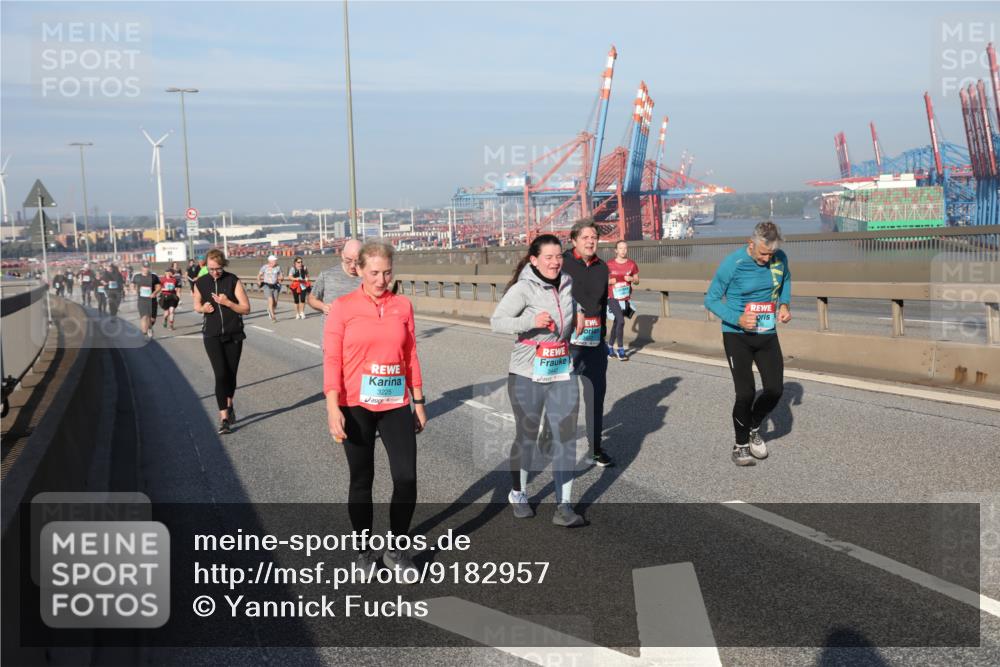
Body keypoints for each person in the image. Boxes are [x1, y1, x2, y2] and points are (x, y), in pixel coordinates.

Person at [324, 240, 427, 575]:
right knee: (361, 479)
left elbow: (410, 354)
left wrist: (419, 400)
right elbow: (332, 359)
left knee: (407, 478)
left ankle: (396, 551)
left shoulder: (403, 306)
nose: (382, 279)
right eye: (374, 273)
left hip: (395, 402)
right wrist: (332, 406)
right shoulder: (343, 307)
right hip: (355, 404)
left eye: (387, 272)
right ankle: (363, 551)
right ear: (359, 270)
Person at [492, 234, 585, 527]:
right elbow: (497, 321)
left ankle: (564, 506)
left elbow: (567, 305)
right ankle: (518, 493)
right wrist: (529, 322)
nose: (555, 262)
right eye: (549, 257)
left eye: (559, 256)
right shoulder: (523, 289)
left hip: (561, 369)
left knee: (565, 437)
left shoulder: (568, 282)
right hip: (527, 372)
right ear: (534, 260)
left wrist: (580, 313)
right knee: (527, 436)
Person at [704, 221, 792, 467]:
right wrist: (738, 319)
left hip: (766, 333)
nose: (766, 258)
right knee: (746, 393)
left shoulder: (779, 258)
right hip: (736, 335)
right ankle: (740, 445)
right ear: (750, 243)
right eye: (763, 252)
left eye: (771, 254)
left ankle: (754, 425)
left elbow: (786, 279)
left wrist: (784, 305)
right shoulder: (733, 263)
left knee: (775, 390)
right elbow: (710, 299)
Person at [561, 218, 613, 467]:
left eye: (594, 237)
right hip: (568, 344)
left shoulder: (603, 267)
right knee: (565, 399)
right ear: (573, 241)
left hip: (595, 344)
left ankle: (595, 449)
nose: (591, 241)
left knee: (596, 396)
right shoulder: (561, 264)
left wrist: (604, 338)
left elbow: (602, 304)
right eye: (585, 237)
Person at [194, 249, 251, 435]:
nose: (215, 272)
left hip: (234, 334)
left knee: (231, 375)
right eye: (211, 269)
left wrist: (228, 303)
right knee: (220, 375)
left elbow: (246, 309)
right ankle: (224, 418)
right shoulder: (201, 283)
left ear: (223, 265)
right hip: (212, 335)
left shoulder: (233, 280)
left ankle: (229, 403)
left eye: (218, 268)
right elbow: (196, 306)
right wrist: (203, 308)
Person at [308, 239, 362, 317]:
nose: (352, 265)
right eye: (348, 260)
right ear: (342, 255)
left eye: (357, 261)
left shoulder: (368, 277)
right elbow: (312, 299)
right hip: (332, 327)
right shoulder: (327, 275)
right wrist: (323, 307)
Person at [606, 240, 639, 361]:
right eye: (620, 248)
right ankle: (620, 349)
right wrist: (610, 281)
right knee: (621, 321)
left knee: (616, 323)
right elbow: (602, 280)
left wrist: (631, 278)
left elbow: (637, 280)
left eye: (625, 248)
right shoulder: (609, 264)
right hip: (612, 297)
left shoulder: (631, 264)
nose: (623, 251)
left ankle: (609, 347)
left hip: (625, 298)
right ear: (616, 250)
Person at [132, 261, 161, 340]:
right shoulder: (137, 276)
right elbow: (132, 284)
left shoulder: (154, 277)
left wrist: (154, 293)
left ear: (149, 267)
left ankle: (149, 328)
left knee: (152, 319)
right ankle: (144, 335)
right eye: (144, 267)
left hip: (152, 300)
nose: (146, 269)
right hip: (142, 300)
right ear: (142, 267)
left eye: (147, 267)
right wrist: (133, 290)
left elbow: (159, 287)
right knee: (144, 317)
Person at [257, 254, 283, 321]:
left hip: (275, 286)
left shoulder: (278, 267)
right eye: (274, 261)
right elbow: (259, 275)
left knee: (275, 302)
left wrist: (281, 279)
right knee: (270, 301)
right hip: (267, 286)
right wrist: (259, 281)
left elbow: (281, 275)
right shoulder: (264, 267)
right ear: (270, 261)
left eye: (276, 261)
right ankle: (273, 316)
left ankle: (270, 310)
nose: (276, 262)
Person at [159, 264, 182, 329]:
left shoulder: (174, 280)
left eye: (172, 272)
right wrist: (165, 289)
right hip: (165, 296)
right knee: (166, 313)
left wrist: (178, 296)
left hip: (172, 296)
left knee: (172, 311)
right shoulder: (162, 280)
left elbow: (177, 288)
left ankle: (171, 325)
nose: (172, 273)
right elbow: (158, 288)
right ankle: (165, 319)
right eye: (170, 272)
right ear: (166, 273)